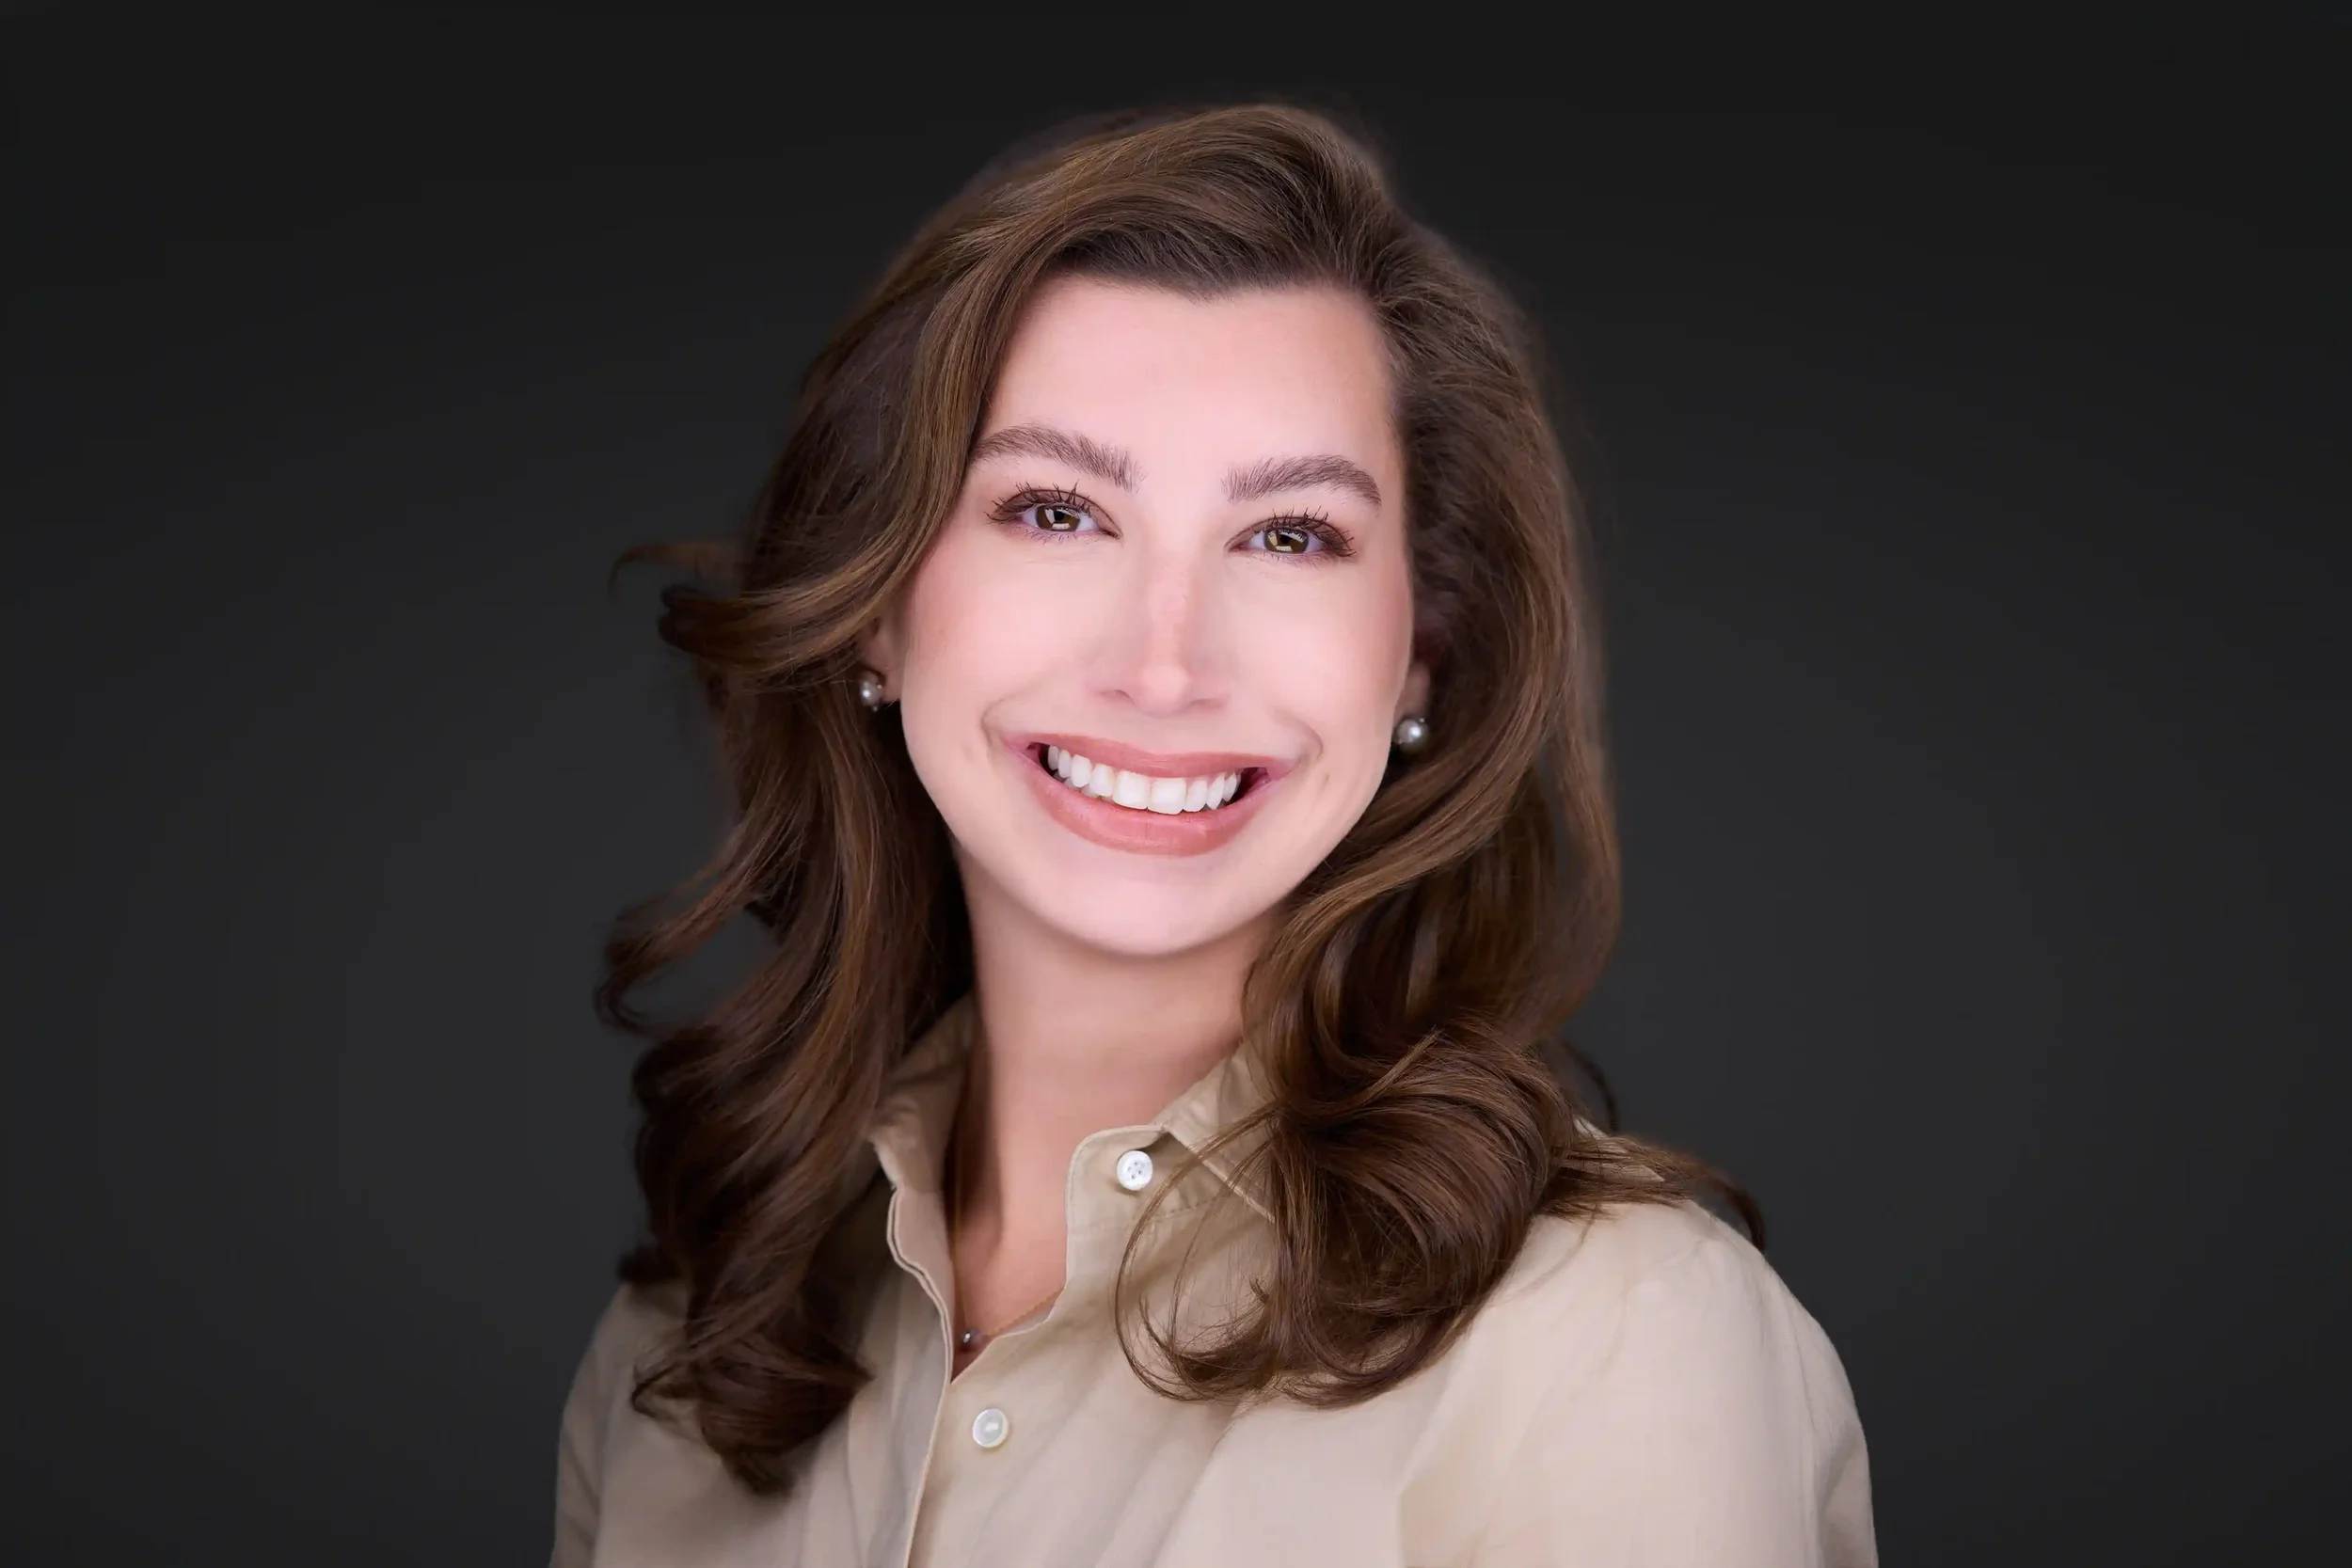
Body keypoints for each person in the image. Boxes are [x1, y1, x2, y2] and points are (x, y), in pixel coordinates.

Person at [550, 102, 1876, 1567]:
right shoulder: (678, 1352)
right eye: (1057, 511)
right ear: (877, 603)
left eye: (1290, 535)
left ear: (1421, 653)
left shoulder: (1614, 1343)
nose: (1165, 664)